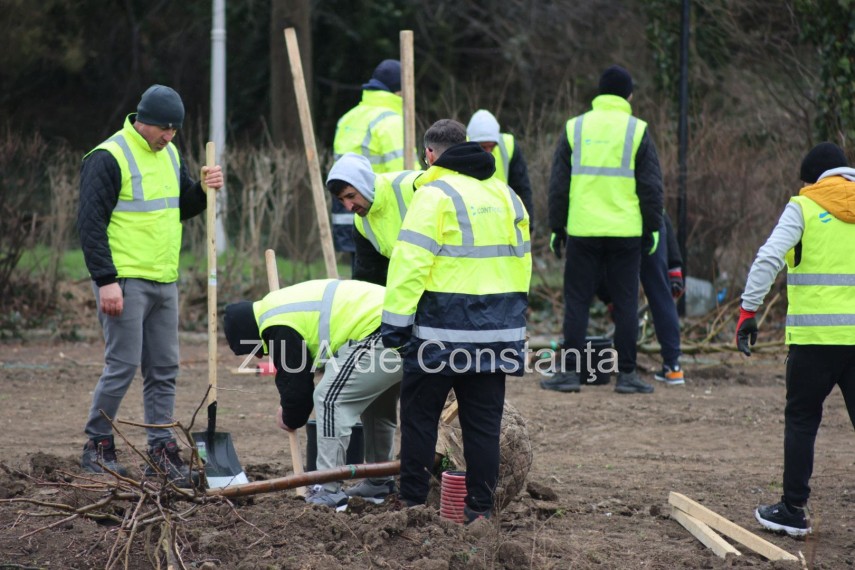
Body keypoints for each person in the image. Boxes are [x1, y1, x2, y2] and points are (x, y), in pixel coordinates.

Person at [382, 119, 532, 523]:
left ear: (430, 155)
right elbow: (524, 265)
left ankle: (412, 504)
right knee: (482, 426)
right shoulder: (508, 196)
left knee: (418, 417)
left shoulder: (434, 195)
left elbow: (410, 264)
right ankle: (479, 513)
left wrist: (394, 325)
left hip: (439, 334)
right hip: (498, 333)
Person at [77, 84, 224, 485]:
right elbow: (89, 226)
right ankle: (98, 444)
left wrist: (203, 191)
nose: (170, 137)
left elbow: (181, 208)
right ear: (144, 121)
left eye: (175, 131)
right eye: (165, 129)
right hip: (125, 281)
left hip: (164, 279)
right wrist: (106, 281)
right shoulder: (108, 157)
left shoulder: (169, 154)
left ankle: (161, 448)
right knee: (122, 365)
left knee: (164, 368)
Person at [736, 142, 855, 537]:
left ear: (811, 178)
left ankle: (792, 510)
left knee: (802, 421)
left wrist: (749, 311)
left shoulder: (804, 205)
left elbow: (768, 257)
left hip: (815, 340)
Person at [223, 279, 402, 509]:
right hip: (401, 324)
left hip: (379, 330)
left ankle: (327, 490)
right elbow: (299, 371)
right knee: (375, 405)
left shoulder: (275, 323)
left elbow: (298, 390)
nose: (259, 356)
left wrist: (289, 416)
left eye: (253, 350)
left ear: (249, 334)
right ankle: (379, 483)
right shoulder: (277, 306)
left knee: (328, 399)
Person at [541, 65, 664, 395]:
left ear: (598, 92)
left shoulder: (575, 127)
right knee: (625, 303)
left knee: (577, 301)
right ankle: (626, 375)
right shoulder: (637, 130)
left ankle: (569, 373)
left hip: (583, 230)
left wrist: (557, 226)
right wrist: (653, 228)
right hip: (626, 232)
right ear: (629, 95)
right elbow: (650, 187)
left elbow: (558, 185)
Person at [598, 211, 686, 385]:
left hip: (618, 226)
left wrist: (609, 298)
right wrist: (674, 266)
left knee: (624, 297)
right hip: (651, 225)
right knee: (661, 293)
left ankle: (626, 369)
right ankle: (673, 365)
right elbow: (660, 209)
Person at [331, 59, 406, 261]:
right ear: (399, 91)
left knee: (359, 283)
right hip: (381, 217)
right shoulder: (391, 121)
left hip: (348, 214)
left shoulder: (348, 118)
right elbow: (403, 173)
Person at [326, 153, 421, 285]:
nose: (348, 207)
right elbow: (368, 279)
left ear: (364, 184)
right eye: (341, 200)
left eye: (351, 196)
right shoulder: (361, 224)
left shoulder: (413, 185)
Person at [466, 109, 535, 230]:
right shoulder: (460, 149)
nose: (488, 151)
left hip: (503, 220)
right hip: (472, 220)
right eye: (483, 147)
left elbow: (522, 189)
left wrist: (527, 223)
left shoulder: (508, 146)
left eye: (491, 146)